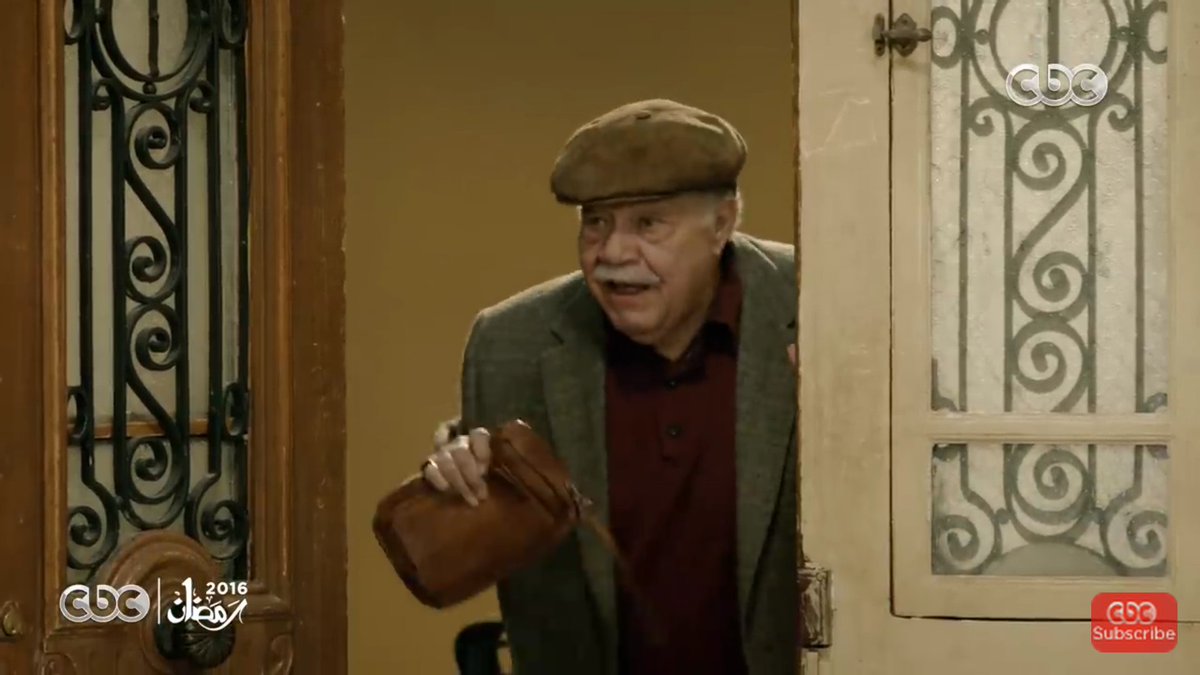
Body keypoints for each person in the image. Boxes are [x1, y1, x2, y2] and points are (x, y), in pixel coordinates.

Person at [421, 99, 797, 675]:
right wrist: (454, 483)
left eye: (648, 224)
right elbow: (469, 546)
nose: (613, 253)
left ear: (722, 224)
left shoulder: (816, 303)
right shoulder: (511, 343)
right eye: (596, 222)